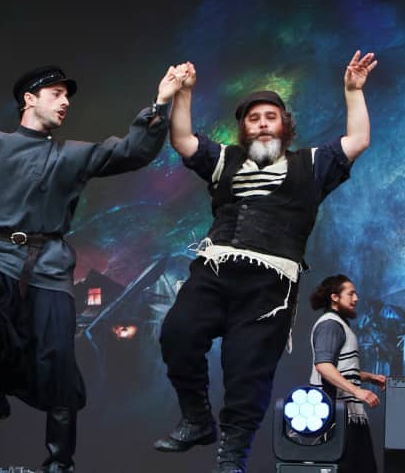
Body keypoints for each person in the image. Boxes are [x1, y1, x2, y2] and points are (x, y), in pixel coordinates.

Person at [0, 64, 183, 472]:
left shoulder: (73, 155)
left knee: (59, 360)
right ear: (29, 100)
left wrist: (161, 102)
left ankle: (59, 462)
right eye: (56, 94)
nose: (65, 102)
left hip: (48, 266)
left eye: (68, 96)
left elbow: (131, 152)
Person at [155, 50, 377, 472]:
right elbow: (182, 140)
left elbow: (358, 140)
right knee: (177, 334)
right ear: (244, 129)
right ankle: (197, 419)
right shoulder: (226, 159)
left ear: (284, 126)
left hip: (270, 287)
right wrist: (183, 93)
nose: (261, 123)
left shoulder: (311, 164)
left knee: (247, 371)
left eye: (270, 117)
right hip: (216, 270)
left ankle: (231, 457)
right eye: (253, 118)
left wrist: (353, 91)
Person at [309, 274, 386, 473]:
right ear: (334, 297)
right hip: (336, 416)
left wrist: (369, 377)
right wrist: (357, 391)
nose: (356, 298)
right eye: (350, 294)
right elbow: (323, 366)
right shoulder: (330, 324)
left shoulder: (339, 324)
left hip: (347, 415)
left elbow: (340, 368)